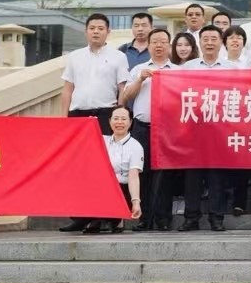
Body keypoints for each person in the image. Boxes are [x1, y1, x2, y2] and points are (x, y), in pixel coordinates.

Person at [58, 14, 129, 233]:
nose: (96, 31)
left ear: (108, 31)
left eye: (100, 28)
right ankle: (80, 215)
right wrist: (64, 119)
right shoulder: (75, 57)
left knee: (107, 167)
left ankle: (105, 216)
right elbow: (67, 89)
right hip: (77, 115)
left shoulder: (118, 57)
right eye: (92, 28)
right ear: (86, 31)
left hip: (105, 114)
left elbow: (122, 90)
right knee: (78, 168)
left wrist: (119, 117)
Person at [179, 26, 234, 231]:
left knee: (217, 175)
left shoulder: (231, 69)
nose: (209, 42)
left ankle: (216, 217)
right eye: (206, 39)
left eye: (214, 39)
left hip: (220, 129)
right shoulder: (187, 68)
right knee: (192, 175)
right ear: (199, 42)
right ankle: (191, 217)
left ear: (221, 42)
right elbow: (178, 96)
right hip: (193, 129)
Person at [120, 27, 174, 231]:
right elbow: (126, 97)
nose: (159, 45)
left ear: (169, 46)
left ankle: (163, 218)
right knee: (141, 174)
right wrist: (141, 79)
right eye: (155, 42)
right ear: (148, 45)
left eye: (163, 42)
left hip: (168, 130)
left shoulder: (177, 71)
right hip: (142, 128)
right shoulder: (138, 69)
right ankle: (143, 218)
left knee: (165, 175)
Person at [89, 106, 144, 234]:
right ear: (109, 121)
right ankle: (90, 219)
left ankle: (110, 221)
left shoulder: (135, 147)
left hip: (121, 190)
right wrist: (88, 124)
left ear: (130, 122)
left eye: (124, 119)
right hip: (100, 188)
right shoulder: (102, 140)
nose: (119, 122)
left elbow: (133, 176)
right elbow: (84, 136)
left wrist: (136, 202)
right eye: (116, 118)